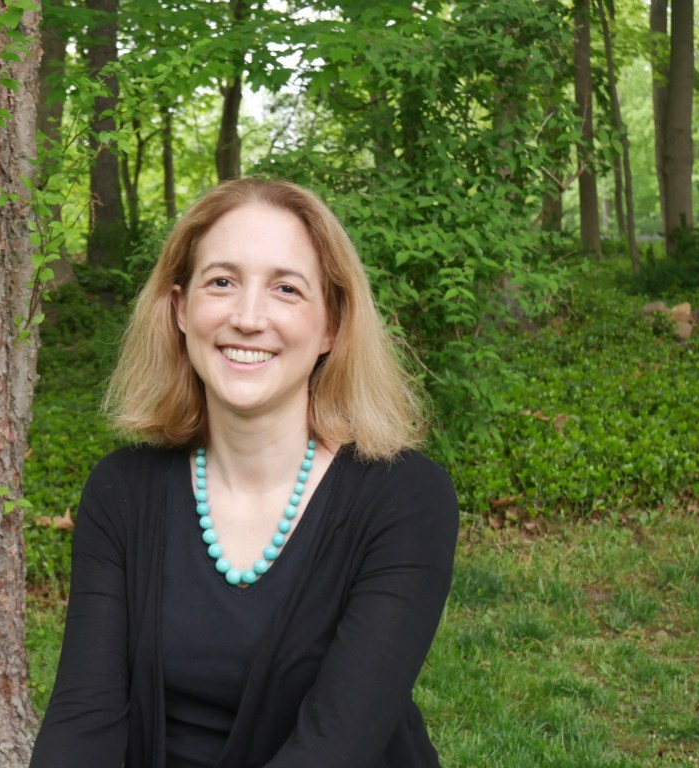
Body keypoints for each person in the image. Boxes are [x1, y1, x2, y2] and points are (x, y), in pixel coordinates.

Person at [29, 178, 459, 768]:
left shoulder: (406, 498)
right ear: (180, 309)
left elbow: (336, 744)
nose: (249, 317)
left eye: (286, 288)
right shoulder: (121, 492)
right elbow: (83, 720)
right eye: (222, 282)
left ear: (331, 325)